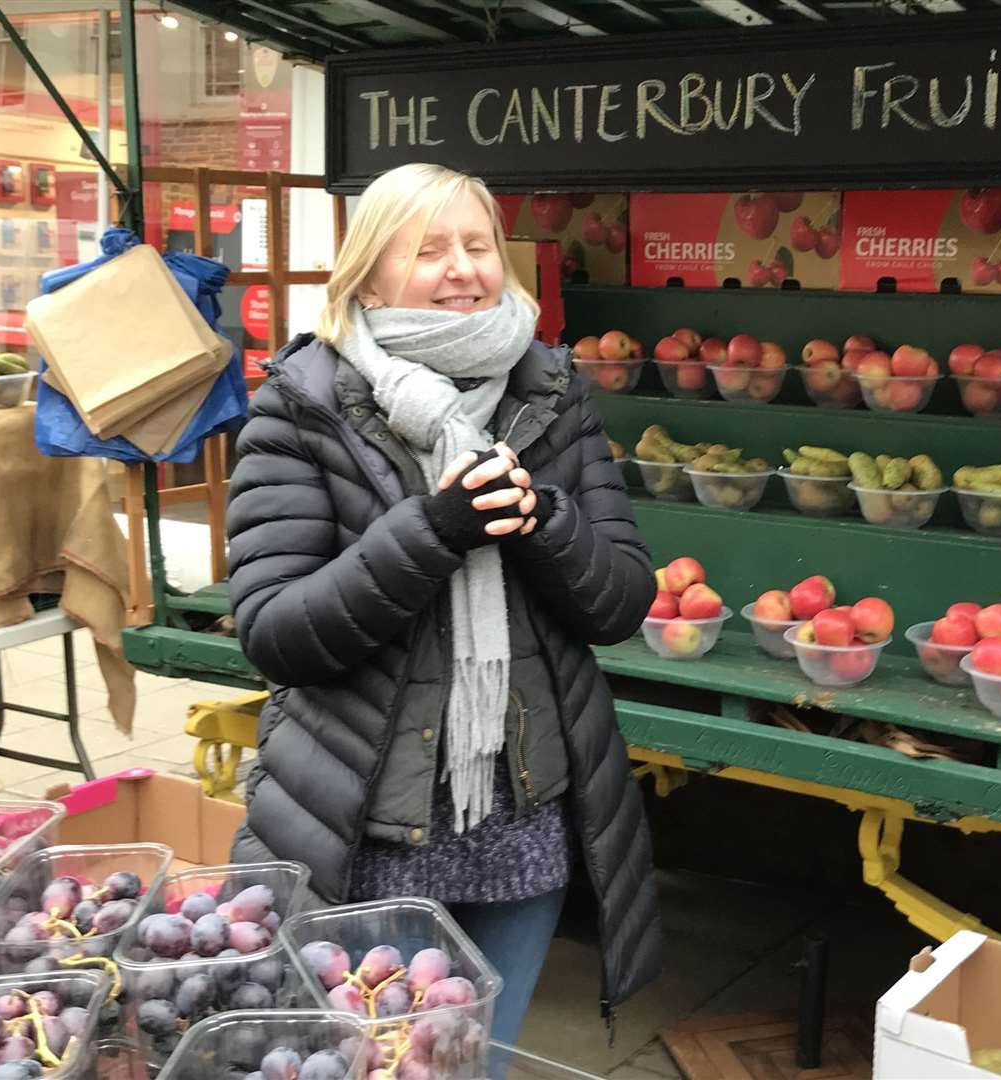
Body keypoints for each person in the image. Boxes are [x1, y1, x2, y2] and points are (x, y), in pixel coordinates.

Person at [224, 162, 663, 1045]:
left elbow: (619, 602)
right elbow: (276, 634)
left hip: (525, 823)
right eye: (429, 250)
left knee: (475, 1062)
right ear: (368, 274)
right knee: (365, 1061)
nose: (464, 268)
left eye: (478, 245)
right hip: (364, 830)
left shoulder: (551, 395)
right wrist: (432, 530)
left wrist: (543, 520)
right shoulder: (302, 406)